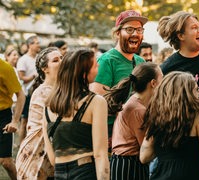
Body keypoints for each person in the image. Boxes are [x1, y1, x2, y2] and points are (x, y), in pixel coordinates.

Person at [140, 71, 199, 180]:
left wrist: (165, 151)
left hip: (162, 174)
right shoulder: (197, 116)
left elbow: (144, 157)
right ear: (187, 93)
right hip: (190, 173)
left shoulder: (156, 116)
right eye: (197, 89)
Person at [42, 49, 109, 179]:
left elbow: (52, 157)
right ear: (84, 74)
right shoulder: (95, 102)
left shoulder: (48, 106)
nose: (99, 66)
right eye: (95, 65)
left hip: (59, 172)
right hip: (85, 171)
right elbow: (100, 154)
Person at [90, 10, 147, 149]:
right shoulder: (106, 61)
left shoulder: (141, 61)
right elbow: (98, 103)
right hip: (112, 133)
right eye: (129, 29)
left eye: (139, 29)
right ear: (117, 33)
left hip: (138, 129)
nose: (135, 34)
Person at [106, 62, 163, 180]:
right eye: (162, 78)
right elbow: (146, 150)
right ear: (153, 83)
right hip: (128, 165)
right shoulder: (138, 110)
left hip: (126, 162)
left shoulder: (135, 102)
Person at [15, 47, 62, 179]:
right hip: (36, 154)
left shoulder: (59, 90)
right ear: (45, 69)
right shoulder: (43, 92)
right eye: (55, 60)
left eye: (62, 58)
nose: (61, 62)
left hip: (51, 156)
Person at [0, 59, 26, 179]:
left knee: (6, 161)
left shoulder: (5, 68)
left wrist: (15, 121)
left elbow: (21, 95)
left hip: (2, 116)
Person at [17, 35, 41, 145]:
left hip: (38, 93)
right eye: (36, 43)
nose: (39, 45)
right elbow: (21, 77)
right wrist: (33, 76)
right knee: (24, 120)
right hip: (27, 94)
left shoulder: (39, 58)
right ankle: (21, 144)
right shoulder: (23, 60)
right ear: (30, 45)